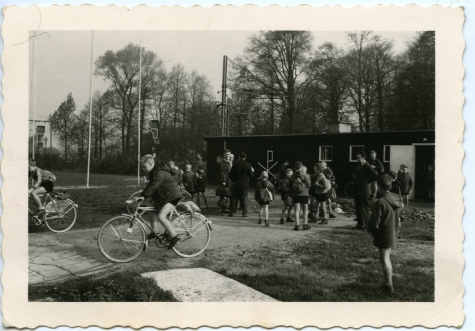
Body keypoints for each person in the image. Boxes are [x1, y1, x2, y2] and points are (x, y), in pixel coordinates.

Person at [367, 174, 404, 293]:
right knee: (387, 257)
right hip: (393, 232)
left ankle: (389, 285)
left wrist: (371, 229)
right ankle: (388, 284)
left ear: (378, 187)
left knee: (385, 259)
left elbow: (374, 222)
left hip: (383, 234)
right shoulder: (396, 198)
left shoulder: (380, 202)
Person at [140, 155, 182, 250]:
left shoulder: (159, 172)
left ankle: (175, 237)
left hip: (172, 196)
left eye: (144, 166)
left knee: (161, 216)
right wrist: (142, 196)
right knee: (149, 209)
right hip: (163, 197)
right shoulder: (153, 172)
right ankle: (155, 231)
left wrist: (143, 196)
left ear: (151, 164)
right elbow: (151, 186)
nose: (143, 169)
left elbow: (154, 186)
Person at [353, 151, 378, 230]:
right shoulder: (358, 166)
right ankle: (359, 225)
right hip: (357, 190)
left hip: (364, 190)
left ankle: (367, 226)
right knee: (358, 208)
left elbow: (375, 174)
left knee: (365, 208)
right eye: (357, 158)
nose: (357, 159)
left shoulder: (367, 166)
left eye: (359, 158)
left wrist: (367, 180)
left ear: (363, 158)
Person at [229, 152, 254, 217]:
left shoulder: (235, 164)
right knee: (244, 198)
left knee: (234, 198)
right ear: (245, 157)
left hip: (236, 183)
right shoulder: (248, 165)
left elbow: (231, 174)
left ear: (239, 156)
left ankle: (233, 212)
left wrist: (233, 181)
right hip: (244, 183)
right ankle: (244, 213)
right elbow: (251, 175)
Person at [289, 162, 311, 231]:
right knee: (305, 210)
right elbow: (309, 185)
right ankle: (305, 225)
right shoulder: (306, 175)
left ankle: (297, 226)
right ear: (302, 167)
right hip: (304, 194)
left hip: (295, 195)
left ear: (295, 168)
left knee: (296, 210)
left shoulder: (292, 176)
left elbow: (290, 186)